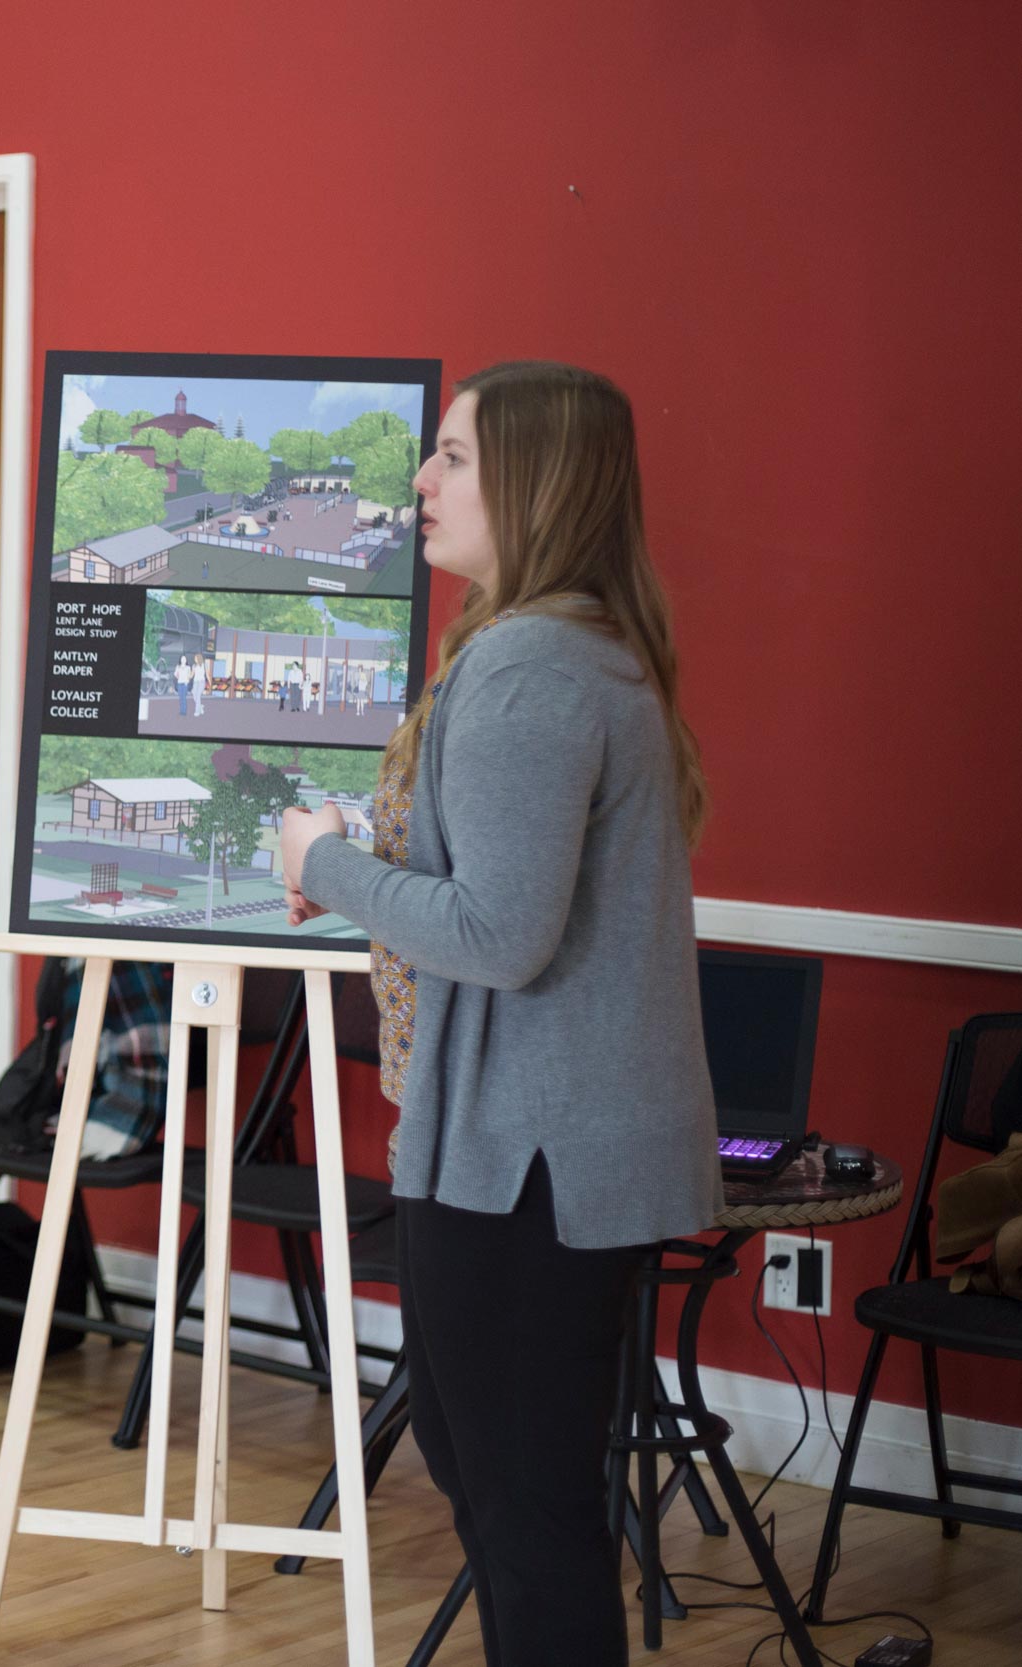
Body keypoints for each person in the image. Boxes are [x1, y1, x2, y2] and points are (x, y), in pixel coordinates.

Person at [276, 362, 719, 1667]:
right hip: (546, 1158)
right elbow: (503, 877)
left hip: (531, 1167)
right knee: (509, 1497)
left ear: (537, 480)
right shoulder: (578, 648)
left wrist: (321, 864)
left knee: (524, 1523)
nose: (420, 477)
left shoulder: (527, 663)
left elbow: (498, 934)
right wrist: (364, 849)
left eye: (455, 456)